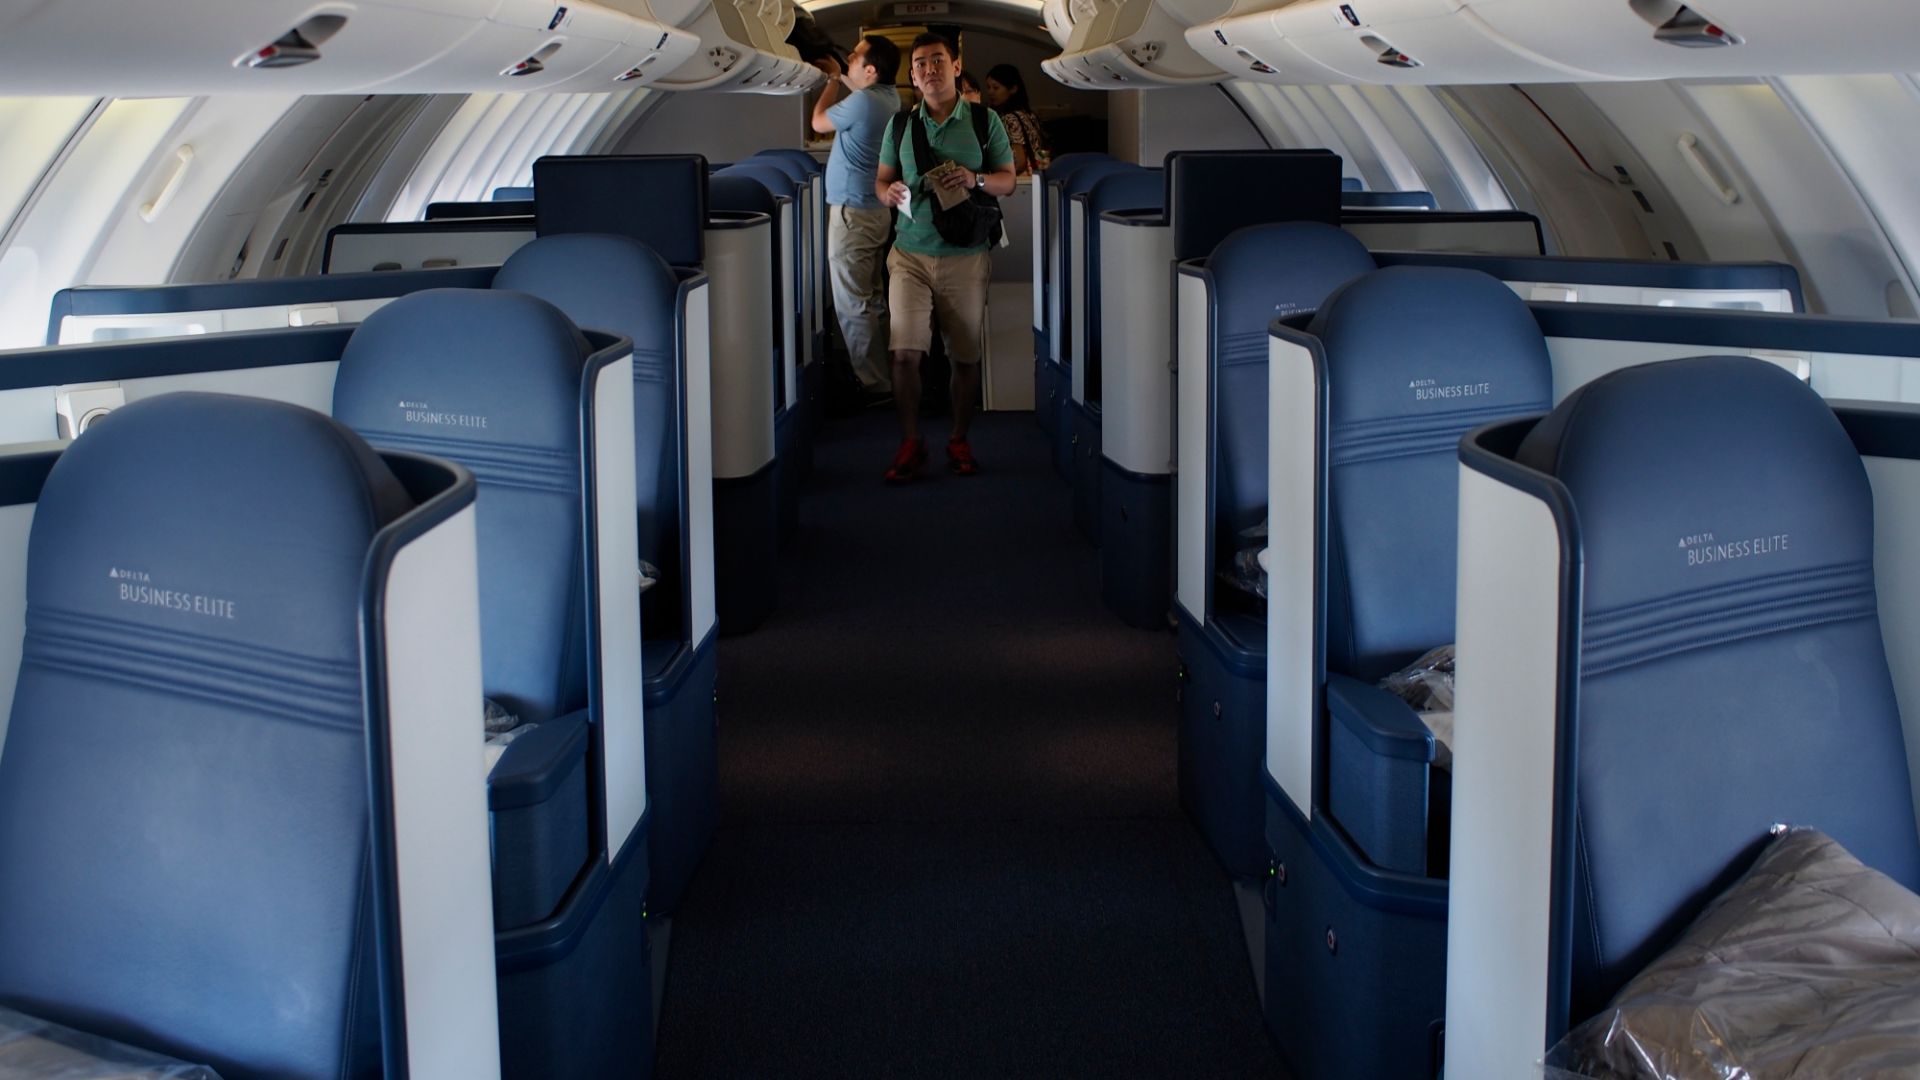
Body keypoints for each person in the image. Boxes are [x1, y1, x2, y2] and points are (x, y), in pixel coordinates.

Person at [874, 33, 1015, 483]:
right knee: (904, 355)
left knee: (965, 357)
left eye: (938, 60)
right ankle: (911, 441)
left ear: (956, 67)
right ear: (913, 77)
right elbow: (882, 181)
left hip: (965, 255)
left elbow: (1007, 181)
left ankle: (958, 437)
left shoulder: (983, 120)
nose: (929, 69)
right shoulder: (899, 126)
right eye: (920, 64)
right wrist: (888, 192)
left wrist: (974, 179)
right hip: (910, 254)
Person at [811, 35, 902, 400]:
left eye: (855, 56)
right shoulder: (888, 97)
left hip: (853, 214)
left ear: (870, 70)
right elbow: (858, 86)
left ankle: (874, 384)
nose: (848, 59)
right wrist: (840, 72)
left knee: (853, 303)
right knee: (873, 300)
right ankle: (887, 377)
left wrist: (832, 80)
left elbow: (818, 123)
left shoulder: (864, 101)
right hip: (874, 212)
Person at [984, 63, 1050, 175]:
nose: (990, 92)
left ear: (1013, 89)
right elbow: (1042, 152)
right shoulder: (1030, 115)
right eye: (988, 87)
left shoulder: (1008, 118)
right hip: (1039, 177)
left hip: (1021, 181)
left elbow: (1019, 161)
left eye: (996, 87)